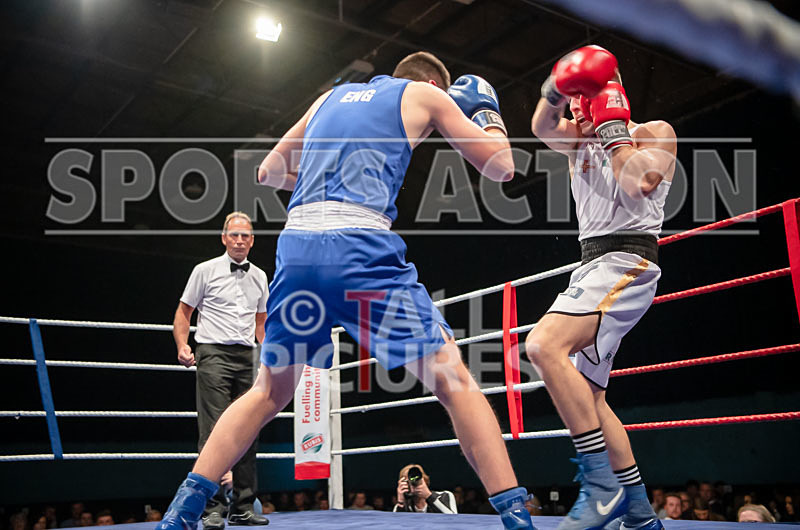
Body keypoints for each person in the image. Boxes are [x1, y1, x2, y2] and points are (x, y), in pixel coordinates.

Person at [156, 51, 535, 530]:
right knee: (453, 380)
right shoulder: (424, 95)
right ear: (436, 84)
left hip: (296, 250)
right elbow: (501, 167)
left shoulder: (327, 98)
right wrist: (486, 116)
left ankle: (182, 511)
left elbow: (269, 172)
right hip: (360, 246)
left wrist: (323, 181)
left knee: (268, 393)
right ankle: (517, 515)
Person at [527, 45, 676, 530]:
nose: (572, 107)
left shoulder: (653, 133)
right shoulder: (574, 139)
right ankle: (637, 511)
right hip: (592, 267)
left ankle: (602, 486)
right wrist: (553, 90)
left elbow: (638, 183)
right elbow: (540, 128)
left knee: (543, 345)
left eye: (579, 94)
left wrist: (612, 123)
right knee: (590, 397)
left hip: (629, 260)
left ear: (606, 95)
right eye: (569, 98)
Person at [172, 211, 270, 530]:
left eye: (245, 235)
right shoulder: (204, 270)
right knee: (213, 429)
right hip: (212, 352)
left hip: (248, 357)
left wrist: (268, 354)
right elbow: (184, 312)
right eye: (234, 235)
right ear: (224, 238)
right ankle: (211, 506)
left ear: (252, 241)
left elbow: (261, 322)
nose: (240, 240)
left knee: (248, 429)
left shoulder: (260, 276)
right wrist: (182, 345)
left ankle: (242, 505)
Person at [393, 464, 457, 514]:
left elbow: (453, 520)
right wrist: (401, 502)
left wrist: (429, 496)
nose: (412, 483)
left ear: (425, 480)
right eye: (407, 481)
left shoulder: (445, 495)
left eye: (415, 479)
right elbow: (394, 526)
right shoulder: (402, 506)